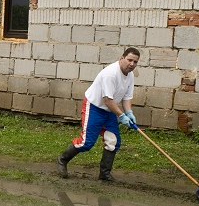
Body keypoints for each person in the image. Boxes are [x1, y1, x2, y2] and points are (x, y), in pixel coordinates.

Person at [57, 47, 140, 181]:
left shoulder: (130, 75)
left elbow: (126, 97)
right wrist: (121, 116)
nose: (132, 64)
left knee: (112, 141)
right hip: (95, 107)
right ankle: (62, 159)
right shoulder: (110, 74)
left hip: (109, 110)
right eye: (129, 60)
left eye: (135, 62)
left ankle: (104, 173)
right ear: (122, 58)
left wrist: (129, 112)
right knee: (86, 143)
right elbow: (107, 99)